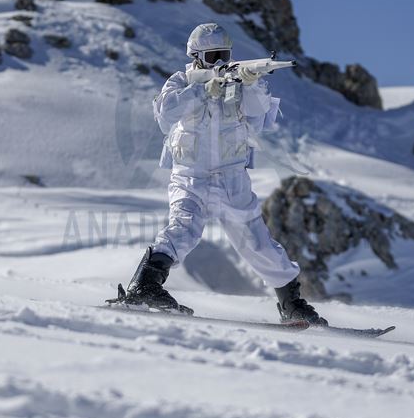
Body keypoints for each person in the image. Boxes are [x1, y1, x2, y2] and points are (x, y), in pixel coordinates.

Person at [118, 22, 327, 326]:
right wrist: (203, 89)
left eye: (224, 55)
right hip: (191, 177)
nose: (220, 63)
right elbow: (165, 115)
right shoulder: (180, 81)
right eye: (213, 56)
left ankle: (291, 304)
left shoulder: (241, 86)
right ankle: (145, 286)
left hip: (232, 180)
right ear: (197, 57)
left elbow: (258, 122)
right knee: (182, 229)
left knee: (259, 244)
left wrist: (253, 82)